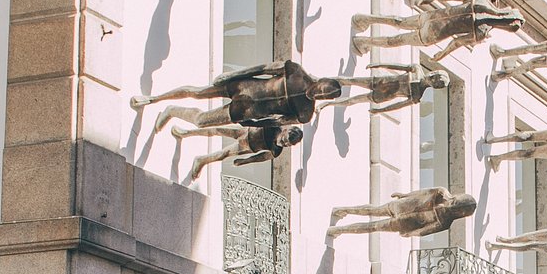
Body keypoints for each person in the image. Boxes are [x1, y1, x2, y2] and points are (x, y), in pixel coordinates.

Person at [134, 60, 344, 131]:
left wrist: (252, 124)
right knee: (197, 92)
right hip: (245, 86)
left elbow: (277, 122)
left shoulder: (306, 113)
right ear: (321, 81)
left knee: (201, 121)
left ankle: (172, 111)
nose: (321, 93)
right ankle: (154, 99)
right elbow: (264, 68)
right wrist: (234, 74)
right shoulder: (296, 71)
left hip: (246, 111)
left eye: (325, 96)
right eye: (324, 89)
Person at [350, 0, 522, 59]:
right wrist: (443, 53)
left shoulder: (482, 1)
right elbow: (456, 42)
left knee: (398, 21)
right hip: (434, 33)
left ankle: (364, 18)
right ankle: (364, 42)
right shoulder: (481, 33)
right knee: (397, 40)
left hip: (432, 17)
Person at [326, 188, 478, 237]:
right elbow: (422, 193)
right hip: (405, 214)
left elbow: (425, 231)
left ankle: (341, 215)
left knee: (373, 213)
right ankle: (339, 228)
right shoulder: (445, 218)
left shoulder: (442, 193)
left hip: (404, 212)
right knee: (373, 224)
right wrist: (405, 196)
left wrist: (405, 196)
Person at [173, 124, 303, 178]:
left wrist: (244, 161)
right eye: (284, 139)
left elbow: (261, 157)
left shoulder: (276, 151)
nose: (283, 143)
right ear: (285, 131)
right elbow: (260, 118)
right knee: (216, 129)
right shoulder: (274, 126)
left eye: (287, 144)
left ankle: (201, 160)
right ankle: (186, 132)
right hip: (244, 130)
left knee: (223, 154)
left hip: (246, 147)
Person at [324, 65, 450, 114]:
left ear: (435, 86)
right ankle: (321, 81)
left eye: (435, 80)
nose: (431, 77)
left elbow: (398, 105)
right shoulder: (417, 70)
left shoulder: (417, 96)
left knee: (353, 100)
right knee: (349, 81)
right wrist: (380, 65)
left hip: (383, 95)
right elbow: (400, 67)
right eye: (434, 74)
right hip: (381, 81)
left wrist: (381, 110)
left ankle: (328, 103)